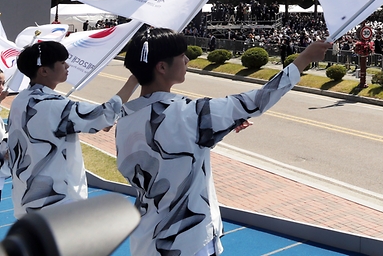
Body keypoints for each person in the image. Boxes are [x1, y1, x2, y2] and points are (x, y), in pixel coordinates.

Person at [116, 28, 331, 256]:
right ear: (161, 67)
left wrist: (217, 128)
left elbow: (172, 152)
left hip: (145, 240)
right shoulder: (191, 113)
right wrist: (304, 58)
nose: (187, 60)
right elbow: (257, 101)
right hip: (189, 242)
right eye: (181, 55)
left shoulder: (125, 119)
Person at [7, 40, 139, 217]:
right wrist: (134, 80)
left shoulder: (20, 100)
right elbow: (104, 115)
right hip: (57, 202)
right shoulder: (54, 105)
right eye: (62, 62)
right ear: (44, 71)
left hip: (26, 197)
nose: (67, 66)